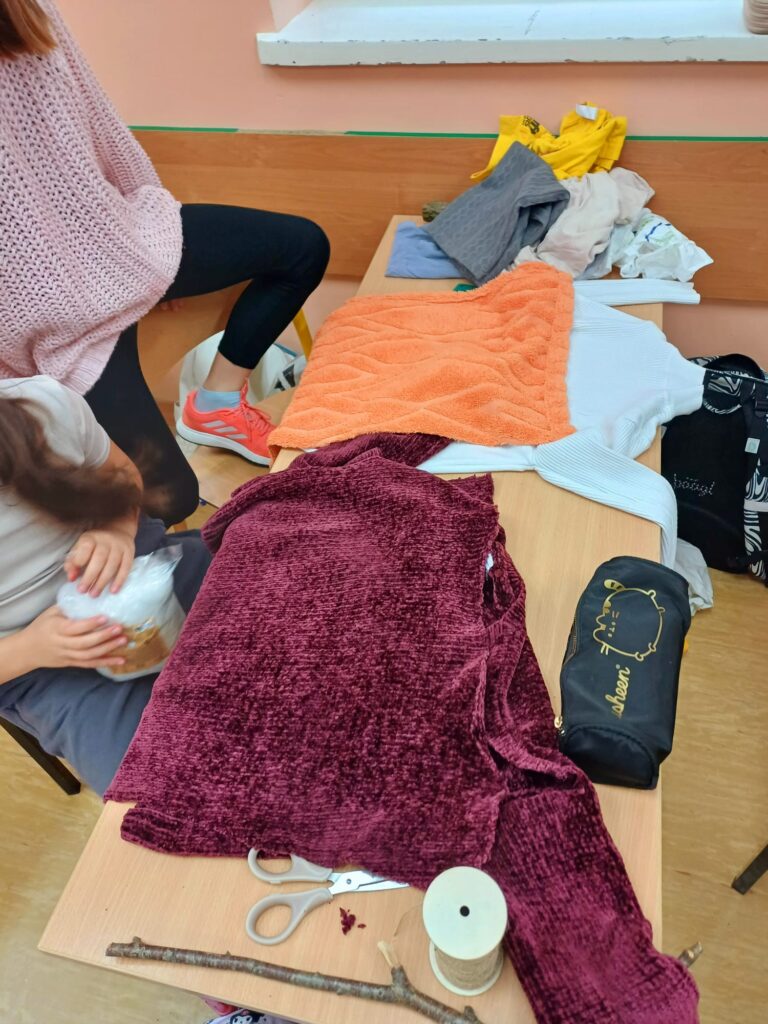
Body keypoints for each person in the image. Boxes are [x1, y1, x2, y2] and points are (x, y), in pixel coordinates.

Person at [0, 0, 331, 526]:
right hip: (46, 323)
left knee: (303, 247)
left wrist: (158, 244)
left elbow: (97, 121)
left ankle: (217, 401)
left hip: (117, 244)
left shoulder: (27, 9)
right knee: (173, 501)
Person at [0, 376, 211, 795]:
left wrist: (114, 529)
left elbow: (120, 475)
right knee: (153, 788)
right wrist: (31, 647)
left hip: (140, 567)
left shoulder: (40, 405)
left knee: (287, 601)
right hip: (39, 665)